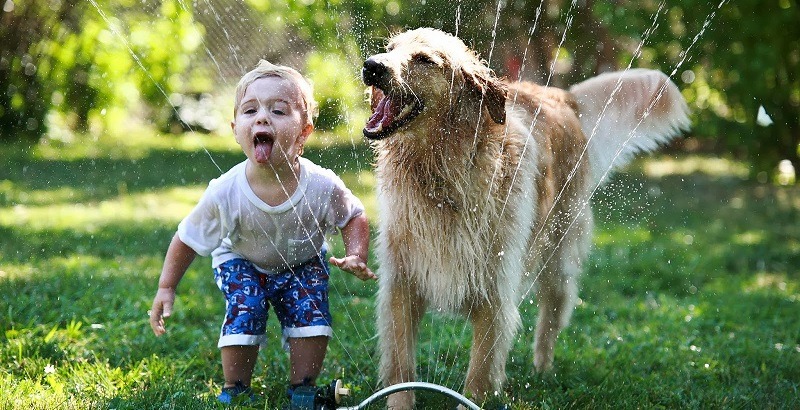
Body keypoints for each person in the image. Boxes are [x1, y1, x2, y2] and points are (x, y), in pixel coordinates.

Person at [148, 60, 376, 404]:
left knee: (312, 316)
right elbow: (187, 238)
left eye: (279, 110)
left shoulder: (321, 184)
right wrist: (166, 287)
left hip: (303, 260)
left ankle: (302, 388)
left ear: (304, 132)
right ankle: (235, 388)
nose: (262, 117)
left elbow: (353, 215)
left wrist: (357, 253)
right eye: (250, 110)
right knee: (247, 306)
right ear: (236, 129)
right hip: (241, 259)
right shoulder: (225, 191)